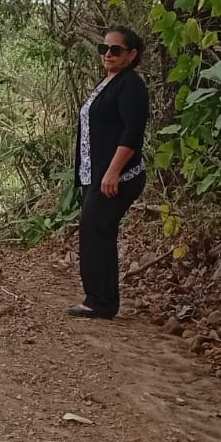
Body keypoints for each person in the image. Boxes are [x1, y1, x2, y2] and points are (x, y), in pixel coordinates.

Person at [69, 25, 150, 319]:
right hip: (98, 174)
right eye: (104, 49)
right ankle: (100, 300)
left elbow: (132, 133)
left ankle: (101, 302)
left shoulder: (131, 85)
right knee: (96, 229)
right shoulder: (109, 82)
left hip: (118, 176)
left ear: (132, 54)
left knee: (96, 227)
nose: (108, 54)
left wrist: (114, 171)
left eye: (115, 50)